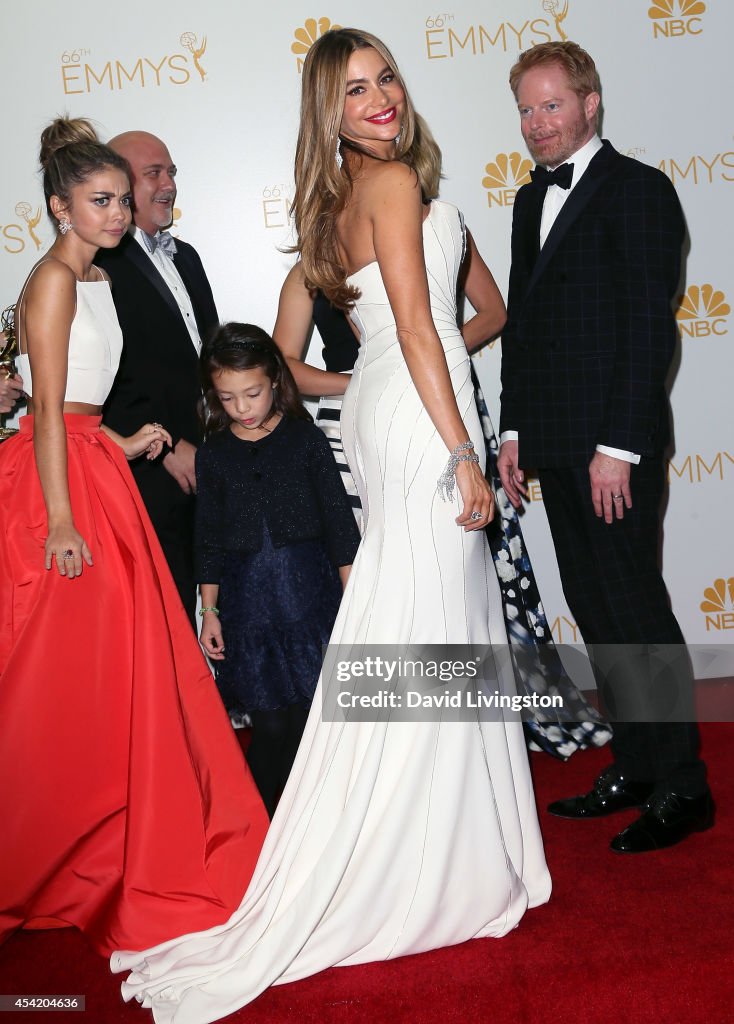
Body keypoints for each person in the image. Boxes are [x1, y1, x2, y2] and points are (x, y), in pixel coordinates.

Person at [113, 29, 551, 1021]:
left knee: (426, 632)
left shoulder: (352, 197)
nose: (380, 98)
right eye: (354, 89)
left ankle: (450, 838)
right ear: (330, 112)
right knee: (433, 635)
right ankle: (419, 854)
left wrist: (399, 375)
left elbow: (446, 322)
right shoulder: (387, 188)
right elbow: (416, 330)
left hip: (396, 408)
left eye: (386, 77)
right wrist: (459, 449)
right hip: (418, 423)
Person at [0, 117, 268, 957]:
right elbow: (44, 408)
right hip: (59, 491)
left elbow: (80, 407)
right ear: (59, 206)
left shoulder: (104, 281)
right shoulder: (50, 280)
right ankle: (46, 849)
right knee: (55, 676)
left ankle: (109, 840)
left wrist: (122, 444)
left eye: (121, 199)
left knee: (122, 670)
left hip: (96, 465)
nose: (117, 214)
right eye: (99, 201)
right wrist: (64, 520)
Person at [497, 41, 712, 852]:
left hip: (611, 451)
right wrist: (516, 430)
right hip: (554, 444)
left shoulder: (640, 190)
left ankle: (684, 786)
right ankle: (640, 763)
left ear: (591, 103)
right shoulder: (527, 202)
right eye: (525, 108)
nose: (536, 123)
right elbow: (524, 329)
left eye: (551, 105)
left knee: (636, 613)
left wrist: (620, 445)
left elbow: (647, 328)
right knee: (595, 612)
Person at [274, 250, 612, 760]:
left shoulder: (438, 230)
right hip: (364, 425)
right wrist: (372, 379)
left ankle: (482, 721)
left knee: (466, 567)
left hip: (443, 406)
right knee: (388, 578)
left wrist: (432, 359)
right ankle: (405, 730)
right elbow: (283, 367)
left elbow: (494, 312)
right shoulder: (314, 267)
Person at [195, 324, 361, 816]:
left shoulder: (305, 440)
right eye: (228, 398)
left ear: (275, 382)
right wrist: (210, 611)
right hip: (250, 610)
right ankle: (265, 829)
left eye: (252, 393)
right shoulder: (214, 455)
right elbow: (208, 538)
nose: (242, 407)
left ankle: (318, 824)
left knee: (317, 722)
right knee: (269, 728)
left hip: (311, 599)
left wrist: (352, 604)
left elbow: (338, 522)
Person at [96, 131, 218, 623]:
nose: (168, 184)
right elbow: (101, 378)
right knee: (163, 607)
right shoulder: (99, 265)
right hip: (148, 465)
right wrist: (163, 448)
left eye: (171, 172)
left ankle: (221, 699)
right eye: (154, 174)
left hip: (209, 454)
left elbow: (210, 356)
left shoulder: (185, 255)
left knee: (216, 595)